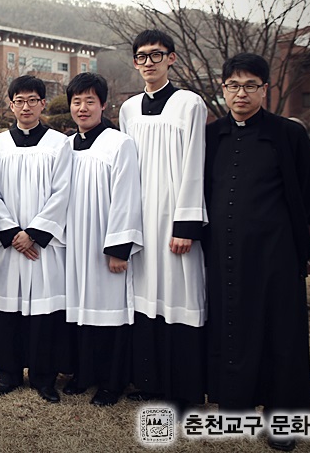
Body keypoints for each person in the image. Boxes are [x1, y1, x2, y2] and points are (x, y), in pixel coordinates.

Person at [203, 53, 310, 452]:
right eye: (233, 85)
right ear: (223, 89)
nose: (242, 93)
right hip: (224, 254)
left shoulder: (287, 134)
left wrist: (293, 237)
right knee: (232, 327)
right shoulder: (211, 135)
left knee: (279, 334)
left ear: (264, 89)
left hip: (274, 255)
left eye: (250, 85)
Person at [117, 29, 207, 412]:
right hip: (141, 219)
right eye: (142, 56)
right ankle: (149, 381)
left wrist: (186, 224)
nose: (149, 62)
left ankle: (184, 391)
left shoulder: (190, 104)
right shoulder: (128, 110)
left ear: (172, 58)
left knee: (179, 297)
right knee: (144, 299)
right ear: (135, 62)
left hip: (173, 219)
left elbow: (195, 165)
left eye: (157, 54)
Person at [0, 75, 70, 403]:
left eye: (32, 100)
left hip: (44, 246)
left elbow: (62, 192)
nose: (25, 107)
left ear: (43, 103)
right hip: (10, 245)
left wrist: (35, 234)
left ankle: (44, 376)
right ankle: (8, 373)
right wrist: (13, 233)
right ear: (10, 105)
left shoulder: (59, 144)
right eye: (19, 101)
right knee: (7, 304)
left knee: (45, 308)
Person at [61, 73, 143, 407]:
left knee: (109, 311)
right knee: (80, 309)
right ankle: (83, 373)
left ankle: (112, 381)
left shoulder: (119, 143)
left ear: (104, 104)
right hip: (74, 243)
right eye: (76, 102)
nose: (82, 108)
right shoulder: (66, 146)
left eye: (89, 101)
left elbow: (127, 197)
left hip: (104, 241)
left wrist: (119, 249)